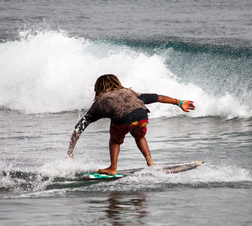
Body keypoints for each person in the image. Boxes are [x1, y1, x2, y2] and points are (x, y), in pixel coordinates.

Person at [67, 74, 195, 175]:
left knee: (115, 141)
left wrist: (70, 150)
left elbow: (80, 126)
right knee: (139, 136)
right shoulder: (130, 92)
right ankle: (150, 163)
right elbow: (156, 97)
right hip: (142, 116)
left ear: (98, 88)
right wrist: (179, 102)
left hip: (124, 119)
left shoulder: (100, 102)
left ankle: (113, 168)